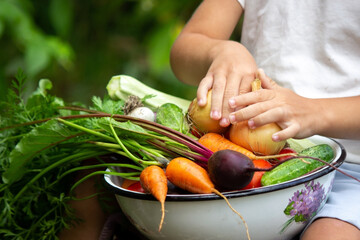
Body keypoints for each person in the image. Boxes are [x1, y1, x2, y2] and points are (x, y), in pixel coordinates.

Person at [170, 0, 360, 239]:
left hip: (350, 170)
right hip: (242, 159)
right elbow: (184, 50)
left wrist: (316, 112)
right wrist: (223, 50)